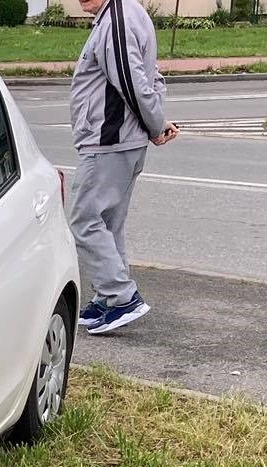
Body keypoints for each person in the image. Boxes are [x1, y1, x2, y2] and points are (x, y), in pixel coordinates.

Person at [67, 0, 178, 335]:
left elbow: (133, 84)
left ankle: (120, 296)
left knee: (84, 220)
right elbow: (148, 75)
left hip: (110, 141)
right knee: (108, 222)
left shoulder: (117, 18)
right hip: (121, 139)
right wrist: (153, 123)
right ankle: (107, 298)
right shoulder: (125, 13)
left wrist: (154, 126)